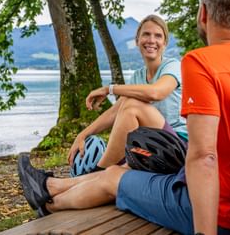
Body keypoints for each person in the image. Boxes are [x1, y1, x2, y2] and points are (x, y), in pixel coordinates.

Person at [18, 0, 230, 235]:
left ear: (203, 13)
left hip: (221, 214)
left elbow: (204, 156)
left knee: (113, 178)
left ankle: (48, 202)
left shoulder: (201, 61)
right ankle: (49, 186)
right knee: (118, 172)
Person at [67, 14, 187, 171]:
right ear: (137, 41)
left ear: (164, 43)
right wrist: (83, 134)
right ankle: (102, 174)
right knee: (127, 105)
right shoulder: (138, 76)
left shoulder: (173, 66)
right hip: (152, 144)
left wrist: (108, 89)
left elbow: (156, 93)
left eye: (158, 36)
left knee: (132, 105)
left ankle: (99, 171)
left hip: (178, 145)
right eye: (146, 34)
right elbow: (115, 111)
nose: (151, 40)